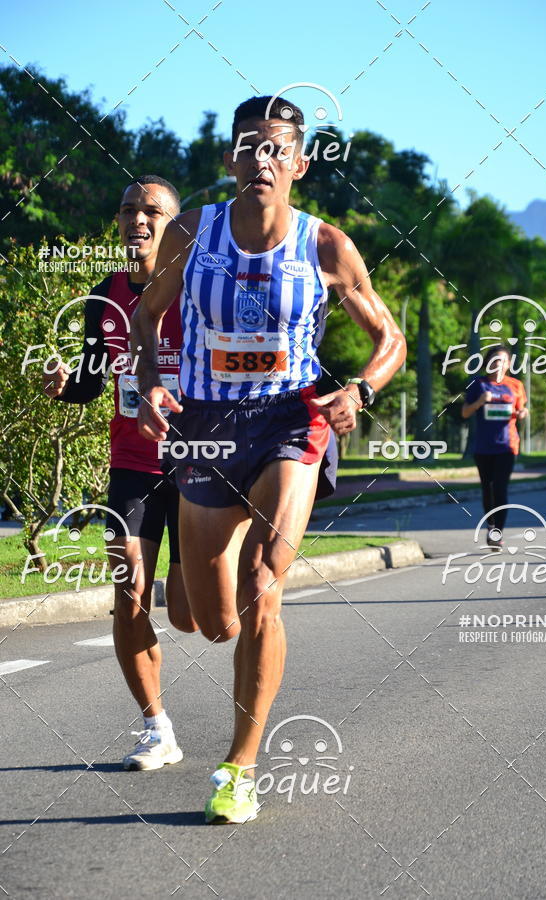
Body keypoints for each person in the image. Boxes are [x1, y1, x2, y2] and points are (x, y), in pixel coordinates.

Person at [131, 96, 406, 824]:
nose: (263, 158)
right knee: (209, 622)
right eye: (250, 145)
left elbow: (391, 339)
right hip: (206, 425)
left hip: (292, 418)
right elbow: (146, 315)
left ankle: (240, 769)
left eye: (278, 147)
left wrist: (360, 388)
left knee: (263, 584)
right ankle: (197, 571)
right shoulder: (192, 232)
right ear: (231, 158)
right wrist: (153, 383)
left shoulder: (327, 247)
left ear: (300, 164)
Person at [43, 175, 199, 771]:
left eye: (152, 211)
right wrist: (66, 385)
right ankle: (157, 729)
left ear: (174, 225)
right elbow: (90, 383)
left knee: (189, 615)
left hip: (199, 464)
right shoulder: (102, 298)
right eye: (129, 208)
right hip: (133, 466)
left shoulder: (198, 289)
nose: (138, 218)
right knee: (129, 593)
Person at [462, 344, 528, 549]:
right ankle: (490, 524)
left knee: (500, 488)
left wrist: (523, 413)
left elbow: (522, 409)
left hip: (507, 445)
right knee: (487, 488)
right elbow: (465, 412)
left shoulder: (515, 385)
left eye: (503, 361)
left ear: (508, 364)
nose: (498, 364)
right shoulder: (477, 384)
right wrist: (480, 401)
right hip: (483, 446)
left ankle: (497, 533)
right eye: (495, 360)